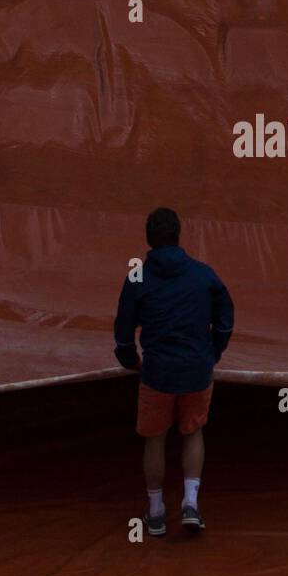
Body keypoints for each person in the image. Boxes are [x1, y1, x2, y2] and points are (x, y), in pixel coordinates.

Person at [114, 208, 234, 538]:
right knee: (192, 432)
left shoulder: (137, 277)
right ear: (178, 235)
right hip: (196, 369)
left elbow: (123, 327)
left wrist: (128, 357)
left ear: (149, 239)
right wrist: (213, 352)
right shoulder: (203, 274)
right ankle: (191, 505)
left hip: (157, 372)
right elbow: (225, 317)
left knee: (155, 438)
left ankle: (155, 512)